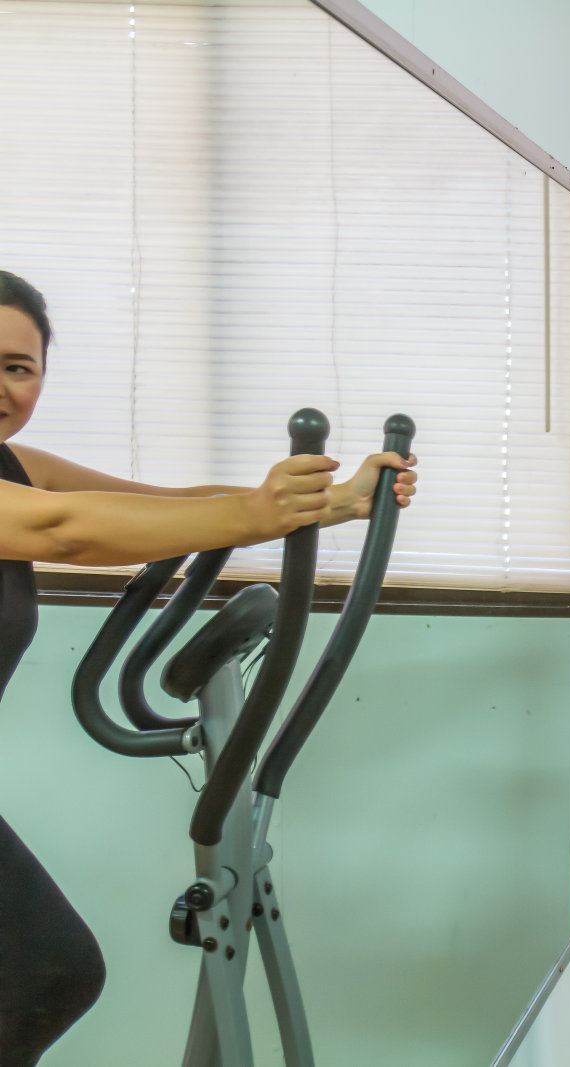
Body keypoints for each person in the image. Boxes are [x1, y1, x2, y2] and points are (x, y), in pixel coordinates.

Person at [0, 269, 417, 1065]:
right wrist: (263, 512)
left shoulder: (16, 467)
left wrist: (335, 500)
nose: (1, 385)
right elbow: (63, 532)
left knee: (48, 974)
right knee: (43, 971)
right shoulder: (28, 499)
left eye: (18, 367)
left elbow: (159, 507)